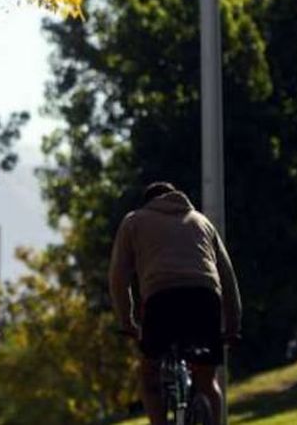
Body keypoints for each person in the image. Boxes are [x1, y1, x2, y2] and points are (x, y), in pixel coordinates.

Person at [109, 181, 242, 425]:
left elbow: (119, 277)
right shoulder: (202, 222)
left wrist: (126, 321)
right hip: (205, 299)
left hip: (162, 300)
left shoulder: (134, 221)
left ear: (148, 202)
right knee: (207, 380)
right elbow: (228, 277)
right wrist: (233, 325)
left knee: (149, 377)